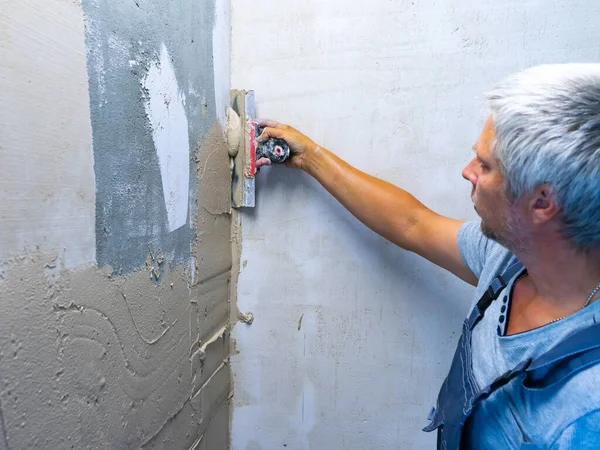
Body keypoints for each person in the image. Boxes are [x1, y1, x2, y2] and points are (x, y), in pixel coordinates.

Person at [256, 64, 600, 449]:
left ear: (541, 202)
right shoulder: (511, 258)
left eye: (484, 166)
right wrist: (311, 157)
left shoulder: (586, 410)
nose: (466, 172)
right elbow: (412, 223)